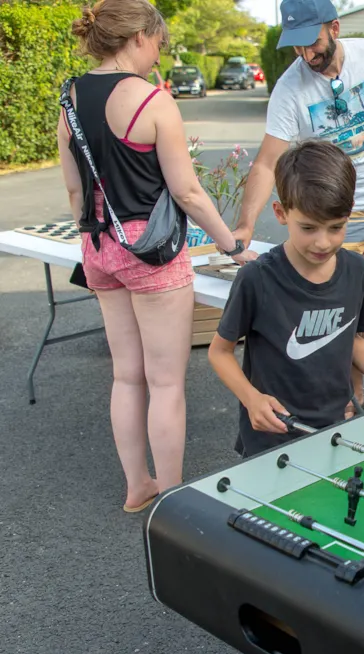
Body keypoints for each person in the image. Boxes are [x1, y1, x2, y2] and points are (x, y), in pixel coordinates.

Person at [59, 0, 253, 513]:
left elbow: (76, 194)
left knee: (126, 374)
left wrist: (95, 235)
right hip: (150, 251)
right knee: (166, 381)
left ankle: (137, 486)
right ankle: (171, 497)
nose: (158, 56)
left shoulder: (70, 97)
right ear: (139, 36)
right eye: (158, 44)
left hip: (98, 245)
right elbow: (187, 192)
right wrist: (232, 245)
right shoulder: (152, 102)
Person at [231, 0, 364, 414]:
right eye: (297, 47)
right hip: (335, 216)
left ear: (335, 28)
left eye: (313, 42)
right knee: (338, 316)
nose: (307, 55)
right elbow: (268, 161)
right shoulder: (290, 88)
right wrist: (244, 225)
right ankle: (344, 405)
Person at [207, 140, 364, 458]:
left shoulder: (356, 270)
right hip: (271, 436)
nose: (323, 242)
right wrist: (251, 399)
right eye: (308, 227)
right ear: (281, 212)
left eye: (336, 227)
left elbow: (350, 338)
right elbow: (219, 353)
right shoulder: (256, 279)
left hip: (334, 429)